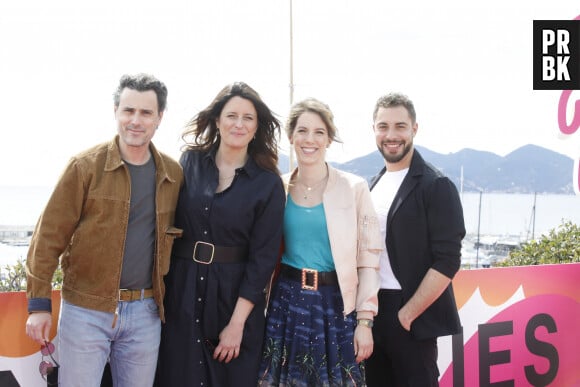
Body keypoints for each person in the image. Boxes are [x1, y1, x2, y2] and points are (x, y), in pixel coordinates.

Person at [24, 73, 183, 387]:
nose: (135, 120)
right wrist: (39, 305)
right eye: (128, 110)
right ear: (116, 111)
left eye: (146, 112)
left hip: (145, 314)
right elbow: (48, 237)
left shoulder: (173, 174)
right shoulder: (84, 167)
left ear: (159, 117)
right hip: (85, 311)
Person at [155, 82, 285, 387]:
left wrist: (237, 324)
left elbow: (263, 260)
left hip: (234, 299)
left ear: (257, 126)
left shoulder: (268, 184)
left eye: (248, 118)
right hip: (182, 293)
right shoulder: (189, 162)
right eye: (232, 115)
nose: (239, 124)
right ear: (217, 120)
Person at [258, 98, 383, 386]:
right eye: (302, 131)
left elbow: (368, 259)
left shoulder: (355, 188)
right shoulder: (278, 187)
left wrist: (365, 321)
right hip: (285, 303)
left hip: (335, 306)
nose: (309, 139)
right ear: (291, 137)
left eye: (319, 132)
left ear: (329, 139)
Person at [365, 92, 465, 386]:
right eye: (383, 126)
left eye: (400, 126)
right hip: (372, 311)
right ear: (374, 130)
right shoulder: (373, 184)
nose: (391, 135)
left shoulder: (436, 185)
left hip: (409, 315)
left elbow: (448, 261)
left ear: (414, 129)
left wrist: (406, 315)